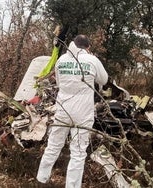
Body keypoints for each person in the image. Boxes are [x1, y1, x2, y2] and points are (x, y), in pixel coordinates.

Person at [36, 34, 108, 187]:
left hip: (63, 109)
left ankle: (41, 179)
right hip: (83, 112)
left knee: (54, 144)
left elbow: (60, 83)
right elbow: (104, 80)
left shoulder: (61, 60)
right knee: (78, 152)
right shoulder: (92, 60)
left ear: (72, 44)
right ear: (87, 47)